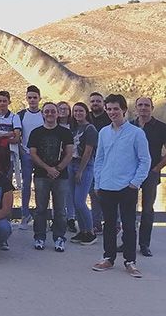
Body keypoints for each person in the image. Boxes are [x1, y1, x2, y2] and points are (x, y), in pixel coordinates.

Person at [92, 94, 151, 278]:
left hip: (127, 187)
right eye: (109, 109)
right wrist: (98, 181)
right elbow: (100, 158)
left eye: (115, 109)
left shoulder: (136, 133)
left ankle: (130, 261)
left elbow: (145, 160)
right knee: (109, 224)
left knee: (128, 225)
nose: (112, 112)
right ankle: (108, 257)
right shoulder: (103, 132)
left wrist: (135, 183)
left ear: (124, 110)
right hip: (107, 185)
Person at [27, 102, 74, 252]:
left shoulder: (65, 133)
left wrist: (58, 169)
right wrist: (48, 168)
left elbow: (69, 153)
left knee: (60, 209)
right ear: (42, 113)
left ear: (57, 113)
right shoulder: (36, 133)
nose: (50, 114)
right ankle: (39, 236)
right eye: (47, 111)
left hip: (61, 176)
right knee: (41, 208)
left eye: (53, 111)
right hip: (41, 175)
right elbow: (32, 153)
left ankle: (59, 237)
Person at [132, 96, 166, 257]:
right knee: (128, 209)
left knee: (147, 210)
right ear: (136, 107)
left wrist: (156, 169)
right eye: (140, 105)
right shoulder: (130, 125)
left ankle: (144, 244)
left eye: (146, 105)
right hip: (132, 173)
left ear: (152, 108)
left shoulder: (161, 127)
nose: (143, 108)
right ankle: (127, 241)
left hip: (150, 174)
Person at [67, 102, 99, 245]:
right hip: (71, 164)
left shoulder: (90, 129)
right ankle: (83, 231)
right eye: (75, 111)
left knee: (80, 201)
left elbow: (88, 151)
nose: (78, 113)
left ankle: (91, 232)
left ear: (86, 112)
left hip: (84, 166)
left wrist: (80, 170)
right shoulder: (74, 128)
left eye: (81, 111)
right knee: (74, 201)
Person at [16, 85, 45, 229]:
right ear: (26, 98)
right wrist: (22, 150)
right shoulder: (20, 115)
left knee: (42, 186)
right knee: (26, 185)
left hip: (42, 157)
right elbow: (18, 135)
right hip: (26, 155)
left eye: (35, 97)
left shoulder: (44, 115)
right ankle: (24, 214)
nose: (32, 100)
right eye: (29, 97)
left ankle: (42, 216)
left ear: (39, 98)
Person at [0, 90, 22, 184]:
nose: (2, 103)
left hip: (9, 156)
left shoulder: (14, 117)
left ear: (9, 102)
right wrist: (8, 134)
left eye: (4, 101)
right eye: (0, 101)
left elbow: (16, 138)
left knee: (6, 183)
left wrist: (0, 136)